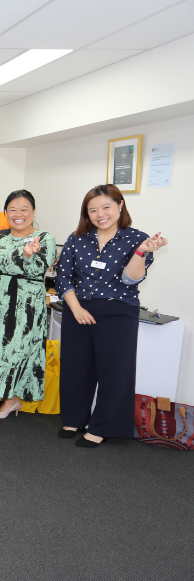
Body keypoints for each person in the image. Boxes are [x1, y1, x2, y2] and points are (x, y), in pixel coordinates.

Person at [56, 185, 168, 447]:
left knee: (113, 372)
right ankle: (74, 418)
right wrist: (76, 308)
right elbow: (63, 278)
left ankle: (101, 426)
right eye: (92, 210)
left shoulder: (137, 239)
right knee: (75, 368)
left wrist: (142, 251)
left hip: (118, 312)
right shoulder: (77, 238)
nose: (99, 214)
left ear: (120, 206)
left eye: (105, 207)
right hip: (78, 309)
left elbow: (131, 278)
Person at [0, 190, 56, 441]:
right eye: (13, 209)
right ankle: (12, 401)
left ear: (34, 212)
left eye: (24, 209)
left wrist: (20, 257)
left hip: (26, 307)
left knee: (10, 354)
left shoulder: (44, 237)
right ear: (6, 212)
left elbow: (40, 267)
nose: (18, 214)